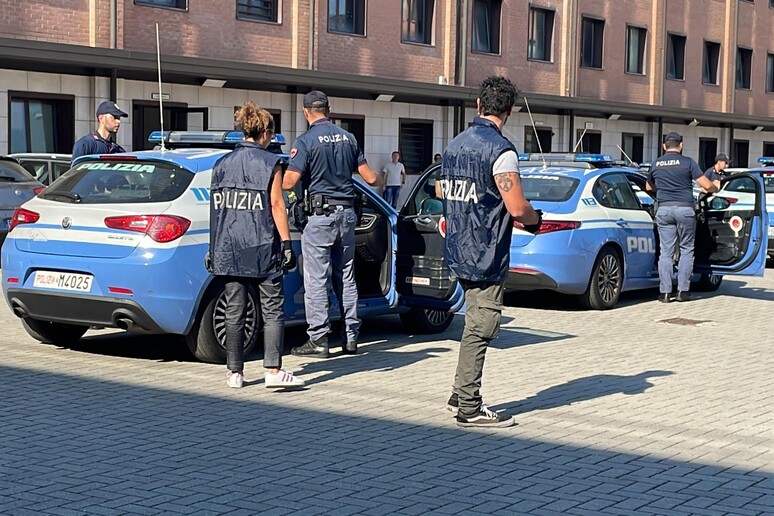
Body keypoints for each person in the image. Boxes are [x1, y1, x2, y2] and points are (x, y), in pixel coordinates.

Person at [440, 76, 542, 428]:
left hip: (457, 247)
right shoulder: (502, 151)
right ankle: (468, 406)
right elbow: (516, 208)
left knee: (472, 322)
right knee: (480, 328)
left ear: (479, 105)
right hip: (486, 252)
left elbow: (445, 191)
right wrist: (535, 219)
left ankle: (458, 393)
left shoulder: (454, 144)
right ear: (509, 112)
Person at [208, 101, 304, 389]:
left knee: (234, 310)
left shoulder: (220, 165)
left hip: (228, 247)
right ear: (265, 133)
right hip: (262, 246)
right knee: (273, 309)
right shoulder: (270, 162)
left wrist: (213, 249)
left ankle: (234, 373)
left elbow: (216, 209)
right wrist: (287, 243)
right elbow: (276, 204)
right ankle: (273, 370)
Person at [283, 90, 379, 358]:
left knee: (316, 279)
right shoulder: (349, 138)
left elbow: (290, 182)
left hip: (320, 217)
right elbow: (371, 179)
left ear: (306, 113)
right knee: (346, 276)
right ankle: (350, 338)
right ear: (329, 109)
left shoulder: (306, 141)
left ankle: (318, 340)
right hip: (347, 216)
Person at [646, 132, 717, 303]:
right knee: (686, 250)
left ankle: (664, 293)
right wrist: (713, 188)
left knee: (666, 252)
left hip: (663, 210)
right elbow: (706, 184)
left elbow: (648, 187)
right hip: (685, 209)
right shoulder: (688, 162)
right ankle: (682, 292)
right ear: (681, 145)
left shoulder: (656, 163)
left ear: (664, 146)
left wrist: (662, 191)